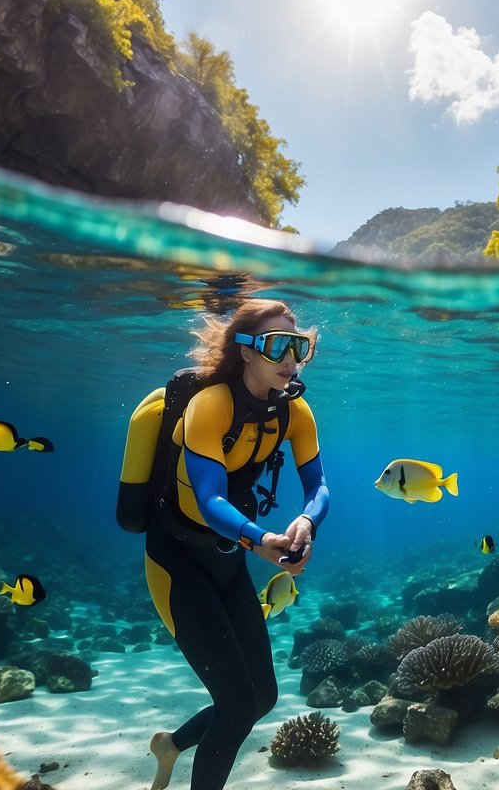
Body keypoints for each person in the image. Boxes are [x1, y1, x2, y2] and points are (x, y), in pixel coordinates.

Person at [145, 299, 329, 790]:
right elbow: (208, 501)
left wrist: (307, 523)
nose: (290, 358)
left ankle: (171, 746)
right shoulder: (211, 404)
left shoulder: (295, 412)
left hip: (227, 559)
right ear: (245, 351)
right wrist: (260, 539)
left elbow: (318, 488)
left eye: (300, 346)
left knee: (261, 698)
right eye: (277, 345)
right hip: (177, 560)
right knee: (237, 704)